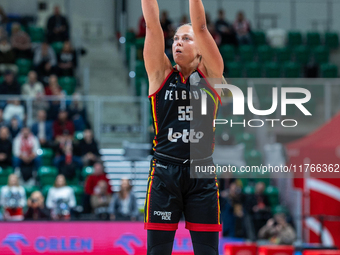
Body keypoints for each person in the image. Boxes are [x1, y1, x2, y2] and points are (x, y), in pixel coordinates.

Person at [141, 0, 224, 254]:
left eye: (185, 39)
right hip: (165, 172)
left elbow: (200, 27)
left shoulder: (212, 75)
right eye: (175, 38)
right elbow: (153, 27)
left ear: (200, 49)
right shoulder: (160, 74)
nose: (177, 42)